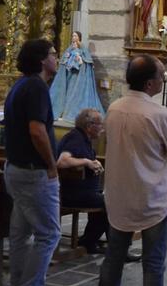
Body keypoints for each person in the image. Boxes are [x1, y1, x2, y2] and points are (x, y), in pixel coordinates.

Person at [95, 54, 167, 286]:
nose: (163, 78)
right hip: (152, 198)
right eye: (160, 75)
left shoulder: (114, 108)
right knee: (153, 264)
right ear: (149, 84)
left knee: (113, 259)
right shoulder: (157, 114)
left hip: (120, 195)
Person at [3, 39, 60, 286]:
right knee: (49, 234)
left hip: (16, 169)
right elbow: (37, 131)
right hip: (32, 172)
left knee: (21, 234)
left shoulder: (20, 84)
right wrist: (51, 164)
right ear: (41, 60)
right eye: (53, 54)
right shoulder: (36, 87)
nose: (57, 58)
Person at [57, 108, 141, 262]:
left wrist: (94, 163)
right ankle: (118, 250)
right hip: (73, 194)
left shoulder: (83, 138)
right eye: (100, 125)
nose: (102, 129)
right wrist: (87, 162)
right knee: (113, 203)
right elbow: (62, 161)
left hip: (84, 192)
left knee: (111, 199)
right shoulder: (75, 138)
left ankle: (88, 241)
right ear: (89, 126)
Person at [49, 31, 105, 122]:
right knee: (69, 93)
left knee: (75, 94)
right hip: (70, 75)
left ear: (79, 37)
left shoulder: (83, 48)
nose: (73, 37)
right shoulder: (70, 48)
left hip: (78, 76)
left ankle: (70, 113)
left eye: (75, 36)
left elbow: (86, 61)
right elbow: (64, 59)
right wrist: (67, 59)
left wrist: (79, 59)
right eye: (72, 36)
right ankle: (64, 112)